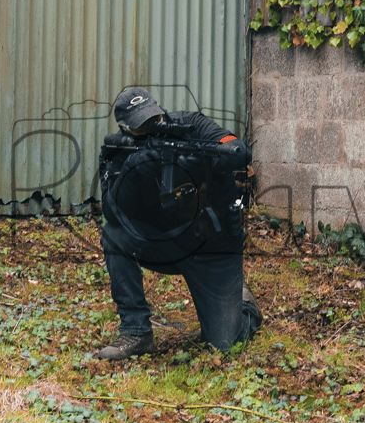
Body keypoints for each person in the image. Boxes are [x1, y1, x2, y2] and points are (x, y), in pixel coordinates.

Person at [96, 86, 262, 360]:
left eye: (155, 118)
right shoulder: (118, 151)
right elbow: (112, 214)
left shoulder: (192, 126)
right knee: (115, 235)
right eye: (143, 125)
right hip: (165, 245)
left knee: (225, 344)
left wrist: (204, 162)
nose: (154, 127)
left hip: (212, 249)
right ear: (126, 129)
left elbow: (237, 149)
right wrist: (132, 173)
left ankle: (244, 303)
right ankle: (136, 332)